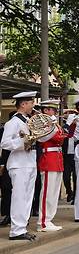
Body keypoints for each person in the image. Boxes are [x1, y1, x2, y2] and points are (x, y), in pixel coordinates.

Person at [0, 91, 38, 241]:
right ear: (23, 104)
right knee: (19, 197)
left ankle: (22, 228)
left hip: (29, 162)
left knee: (28, 197)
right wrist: (23, 143)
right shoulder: (13, 122)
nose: (32, 106)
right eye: (30, 103)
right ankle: (16, 230)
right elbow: (4, 143)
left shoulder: (28, 121)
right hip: (19, 164)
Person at [36, 100, 67, 232]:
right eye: (52, 109)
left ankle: (49, 219)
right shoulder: (43, 124)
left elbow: (62, 136)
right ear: (45, 111)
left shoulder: (54, 124)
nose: (54, 112)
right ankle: (43, 222)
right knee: (47, 192)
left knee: (53, 192)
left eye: (54, 110)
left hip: (57, 159)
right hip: (48, 159)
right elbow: (57, 138)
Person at [62, 109, 77, 203]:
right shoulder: (65, 127)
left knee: (76, 177)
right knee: (66, 177)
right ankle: (69, 191)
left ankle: (75, 195)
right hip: (66, 156)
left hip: (76, 155)